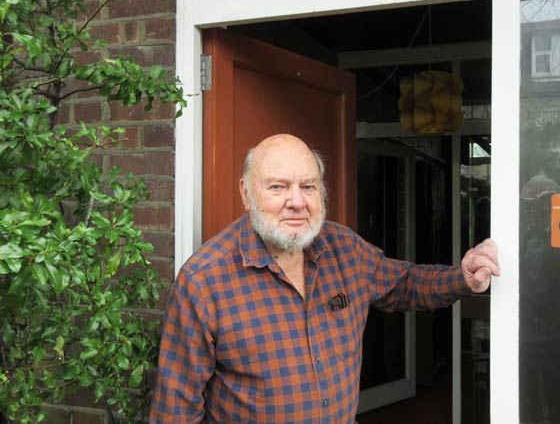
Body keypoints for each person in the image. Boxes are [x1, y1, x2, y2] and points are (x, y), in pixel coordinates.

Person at [150, 134, 500, 424]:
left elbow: (404, 283)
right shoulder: (205, 280)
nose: (297, 201)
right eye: (278, 187)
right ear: (246, 193)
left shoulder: (343, 248)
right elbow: (177, 407)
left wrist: (462, 277)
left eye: (309, 186)